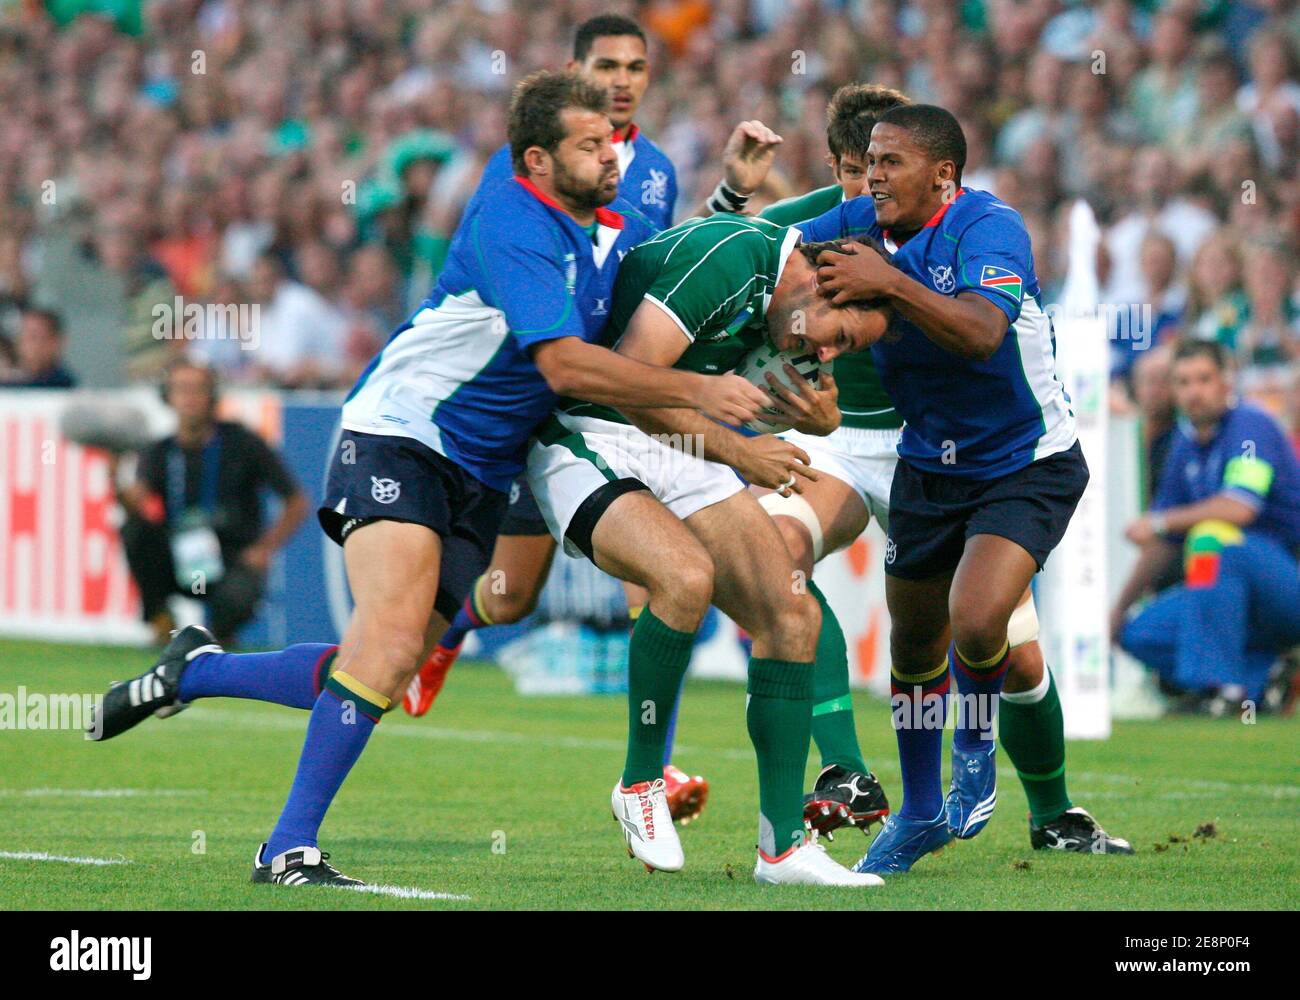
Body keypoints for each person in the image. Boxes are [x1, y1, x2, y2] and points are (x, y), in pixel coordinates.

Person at [87, 71, 767, 888]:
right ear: (539, 160)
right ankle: (285, 849)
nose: (612, 155)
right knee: (385, 649)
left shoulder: (609, 232)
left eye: (614, 141)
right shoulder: (514, 220)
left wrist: (750, 202)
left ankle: (197, 670)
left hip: (482, 474)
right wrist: (699, 396)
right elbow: (560, 362)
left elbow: (673, 268)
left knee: (388, 659)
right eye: (590, 146)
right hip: (402, 435)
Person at [402, 11, 783, 825]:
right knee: (509, 597)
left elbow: (657, 267)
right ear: (575, 72)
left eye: (636, 67)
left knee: (668, 573)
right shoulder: (528, 171)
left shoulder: (646, 173)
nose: (621, 80)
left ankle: (654, 769)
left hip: (613, 404)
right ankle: (448, 630)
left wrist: (732, 196)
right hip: (536, 396)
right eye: (605, 65)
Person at [764, 89, 1130, 854]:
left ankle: (977, 755)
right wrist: (802, 320)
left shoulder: (988, 226)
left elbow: (982, 334)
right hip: (926, 464)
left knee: (978, 617)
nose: (873, 180)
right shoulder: (860, 223)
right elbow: (764, 252)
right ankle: (922, 812)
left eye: (890, 164)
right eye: (867, 166)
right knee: (913, 649)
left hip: (1023, 463)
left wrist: (888, 287)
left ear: (943, 175)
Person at [526, 212, 890, 885]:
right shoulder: (733, 256)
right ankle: (640, 783)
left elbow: (811, 403)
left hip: (681, 447)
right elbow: (629, 377)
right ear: (819, 281)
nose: (830, 354)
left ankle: (782, 849)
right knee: (683, 577)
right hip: (591, 431)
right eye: (839, 336)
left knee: (793, 614)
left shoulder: (793, 311)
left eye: (848, 350)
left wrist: (825, 417)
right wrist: (736, 449)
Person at [1114, 339, 1300, 709]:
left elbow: (1240, 508)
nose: (1194, 392)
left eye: (1204, 379)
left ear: (1226, 382)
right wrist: (1117, 612)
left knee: (1213, 539)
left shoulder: (1251, 426)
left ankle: (1222, 689)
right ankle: (1262, 677)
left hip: (1284, 580)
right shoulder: (1185, 443)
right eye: (1183, 382)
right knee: (1139, 633)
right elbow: (1163, 542)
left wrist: (1161, 521)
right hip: (1227, 594)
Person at [112, 358, 309, 647]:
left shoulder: (243, 442)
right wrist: (114, 476)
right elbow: (137, 505)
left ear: (213, 396)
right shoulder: (159, 451)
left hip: (231, 558)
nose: (189, 398)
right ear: (168, 397)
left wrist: (264, 549)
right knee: (133, 530)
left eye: (198, 389)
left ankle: (218, 635)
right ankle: (160, 620)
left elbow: (296, 501)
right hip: (178, 556)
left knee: (240, 595)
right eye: (181, 389)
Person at [1, 308, 77, 388]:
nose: (24, 342)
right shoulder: (10, 380)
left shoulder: (64, 385)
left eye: (33, 336)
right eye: (22, 335)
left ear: (55, 342)